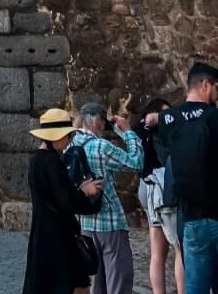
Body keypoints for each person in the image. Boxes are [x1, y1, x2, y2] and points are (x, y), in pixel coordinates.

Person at [150, 61, 218, 294]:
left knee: (195, 287)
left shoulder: (169, 119)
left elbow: (164, 149)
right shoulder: (213, 116)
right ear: (205, 85)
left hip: (190, 219)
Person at [23, 108, 104, 294]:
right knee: (75, 285)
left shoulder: (36, 160)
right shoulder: (52, 161)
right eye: (67, 136)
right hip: (59, 237)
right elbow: (66, 202)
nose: (69, 141)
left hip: (42, 233)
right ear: (55, 137)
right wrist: (85, 191)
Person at [73, 102, 144, 294]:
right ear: (97, 121)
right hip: (110, 222)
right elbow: (136, 162)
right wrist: (127, 132)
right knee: (118, 281)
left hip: (84, 223)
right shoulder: (101, 147)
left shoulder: (70, 144)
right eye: (103, 122)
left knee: (97, 285)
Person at [135, 98, 185, 294]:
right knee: (179, 248)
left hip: (146, 186)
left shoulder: (138, 132)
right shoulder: (162, 133)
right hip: (163, 187)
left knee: (157, 251)